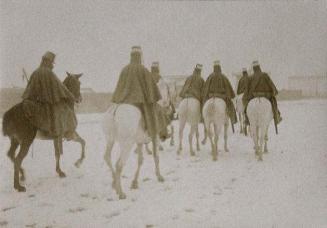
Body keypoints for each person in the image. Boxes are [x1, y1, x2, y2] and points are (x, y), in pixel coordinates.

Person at [111, 46, 168, 140]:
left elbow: (119, 86)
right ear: (139, 56)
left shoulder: (124, 69)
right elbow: (150, 88)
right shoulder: (143, 70)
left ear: (131, 56)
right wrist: (152, 97)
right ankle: (156, 133)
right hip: (138, 101)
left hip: (124, 100)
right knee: (156, 113)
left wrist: (118, 98)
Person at [22, 51, 77, 139]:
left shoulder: (35, 72)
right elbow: (61, 86)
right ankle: (65, 133)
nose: (52, 65)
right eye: (51, 62)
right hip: (46, 102)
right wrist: (72, 96)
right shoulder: (49, 73)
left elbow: (29, 88)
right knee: (66, 110)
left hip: (33, 101)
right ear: (47, 61)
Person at [243, 61, 282, 131]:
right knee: (274, 103)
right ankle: (277, 116)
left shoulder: (250, 77)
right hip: (266, 96)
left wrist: (245, 97)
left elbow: (247, 90)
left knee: (246, 107)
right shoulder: (265, 75)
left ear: (253, 68)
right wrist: (274, 92)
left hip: (253, 96)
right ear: (259, 67)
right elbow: (272, 85)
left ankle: (246, 119)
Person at [202, 60, 237, 129]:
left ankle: (203, 119)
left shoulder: (210, 77)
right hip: (222, 97)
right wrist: (232, 95)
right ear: (219, 67)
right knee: (231, 106)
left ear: (214, 67)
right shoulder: (223, 77)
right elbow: (228, 87)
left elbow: (205, 88)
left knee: (204, 106)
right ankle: (233, 119)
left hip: (211, 96)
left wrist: (204, 97)